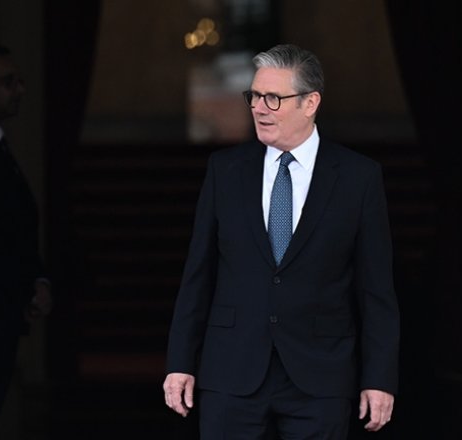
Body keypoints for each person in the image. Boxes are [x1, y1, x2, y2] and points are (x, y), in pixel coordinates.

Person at [163, 43, 400, 439]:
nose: (259, 108)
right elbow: (198, 275)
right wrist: (180, 362)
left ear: (310, 103)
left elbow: (376, 290)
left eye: (273, 98)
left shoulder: (358, 178)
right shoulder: (225, 171)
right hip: (231, 371)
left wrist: (379, 378)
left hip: (320, 376)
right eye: (254, 96)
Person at [0, 44, 52, 436]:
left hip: (6, 308)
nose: (20, 90)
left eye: (20, 81)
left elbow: (18, 225)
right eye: (8, 82)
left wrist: (37, 280)